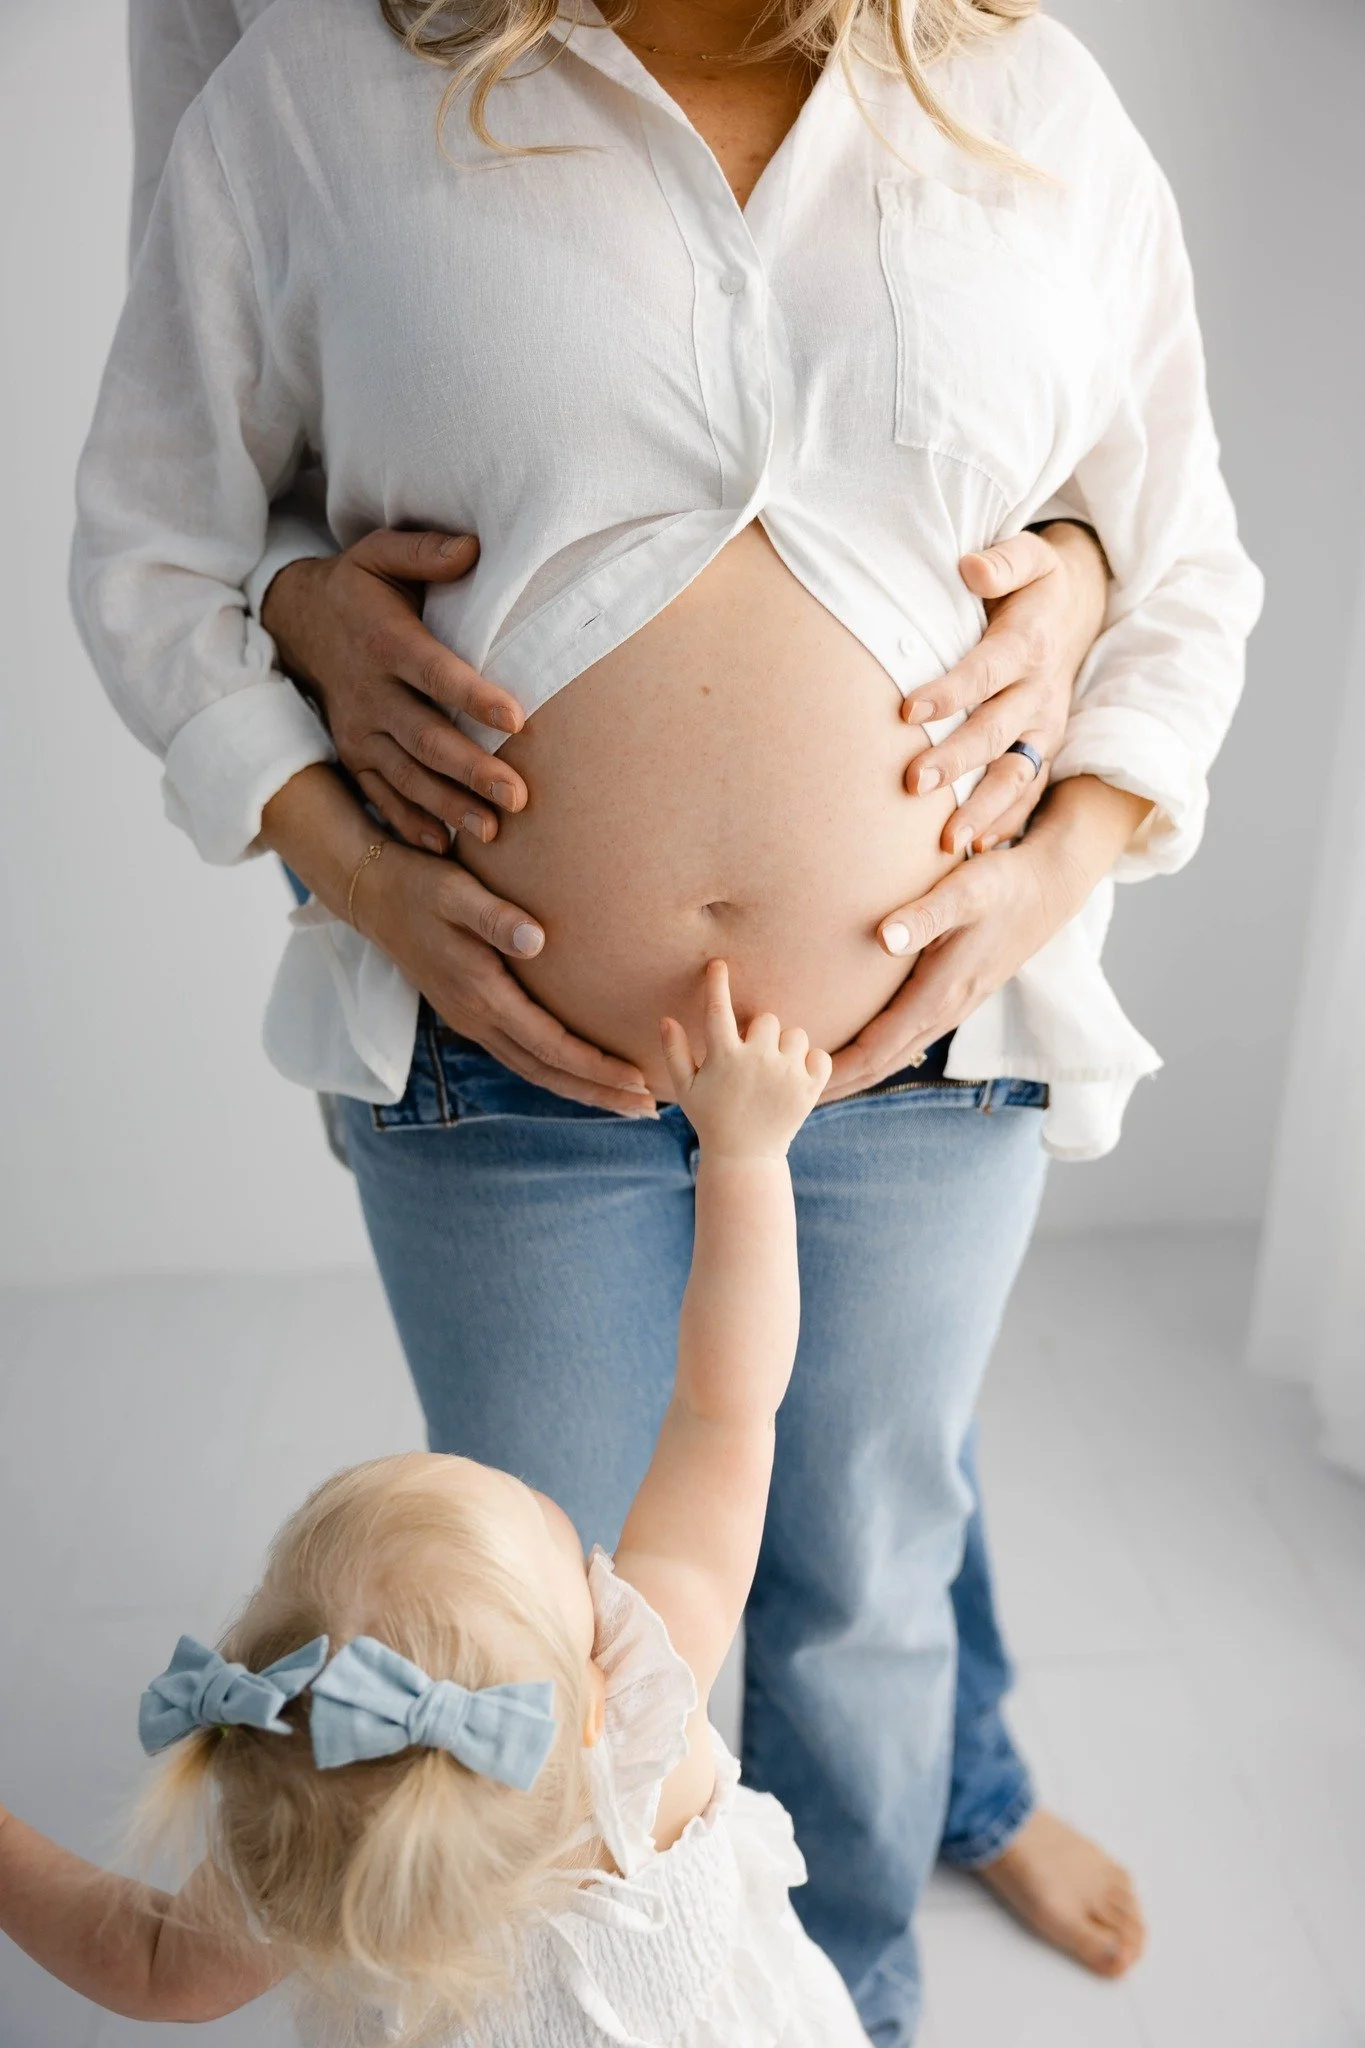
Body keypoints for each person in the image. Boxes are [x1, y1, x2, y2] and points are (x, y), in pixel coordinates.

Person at [73, 1, 1262, 2036]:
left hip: (918, 1053)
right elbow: (156, 538)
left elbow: (1178, 565)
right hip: (504, 1060)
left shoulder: (1016, 99)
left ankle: (851, 1987)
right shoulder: (320, 91)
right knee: (526, 1661)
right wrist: (350, 863)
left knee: (870, 1569)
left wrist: (1048, 865)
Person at [0, 965, 875, 2045]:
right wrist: (744, 1156)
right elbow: (724, 1409)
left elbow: (140, 1957)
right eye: (545, 1519)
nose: (562, 1510)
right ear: (596, 1696)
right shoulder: (647, 1753)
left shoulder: (324, 1862)